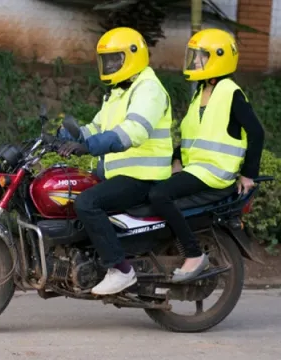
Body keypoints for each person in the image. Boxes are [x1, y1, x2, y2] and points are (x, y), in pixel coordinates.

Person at [55, 27, 174, 295]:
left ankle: (121, 270)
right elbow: (96, 127)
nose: (108, 66)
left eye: (114, 59)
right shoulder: (119, 92)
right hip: (122, 174)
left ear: (133, 56)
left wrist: (89, 147)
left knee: (87, 202)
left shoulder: (149, 89)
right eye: (105, 60)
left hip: (143, 175)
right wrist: (64, 136)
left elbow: (135, 130)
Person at [146, 28, 265, 283]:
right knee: (150, 189)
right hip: (196, 170)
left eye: (200, 57)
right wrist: (177, 158)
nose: (194, 61)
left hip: (214, 173)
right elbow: (192, 135)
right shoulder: (200, 93)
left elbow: (257, 133)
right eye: (194, 56)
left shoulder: (230, 92)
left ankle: (193, 254)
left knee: (159, 195)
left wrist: (248, 174)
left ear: (219, 57)